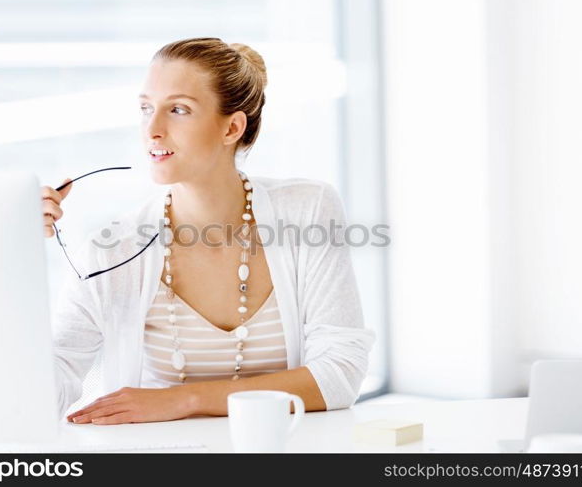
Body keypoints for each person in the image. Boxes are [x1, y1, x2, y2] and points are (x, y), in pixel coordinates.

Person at [40, 37, 376, 425]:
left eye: (178, 109)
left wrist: (184, 399)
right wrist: (15, 256)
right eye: (146, 108)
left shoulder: (307, 209)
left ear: (232, 127)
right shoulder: (114, 250)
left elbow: (340, 374)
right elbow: (46, 390)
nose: (152, 129)